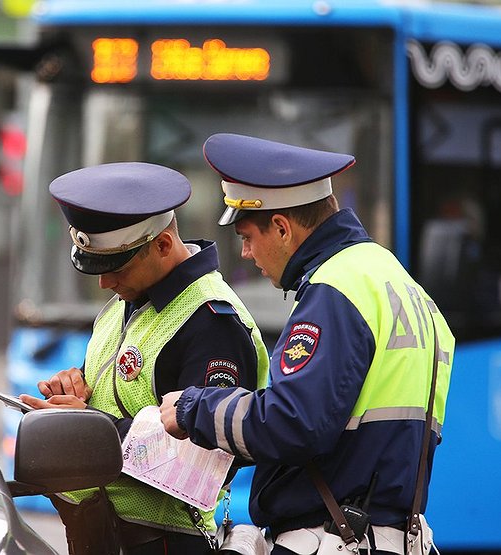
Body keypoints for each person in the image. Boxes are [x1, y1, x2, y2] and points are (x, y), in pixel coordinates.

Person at [159, 134, 455, 555]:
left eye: (247, 237)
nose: (244, 253)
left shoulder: (336, 287)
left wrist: (194, 408)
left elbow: (292, 423)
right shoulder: (400, 283)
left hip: (333, 538)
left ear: (281, 228)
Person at [19, 161, 270, 555]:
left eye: (116, 267)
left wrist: (89, 431)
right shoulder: (129, 299)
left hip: (162, 542)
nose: (104, 283)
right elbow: (119, 392)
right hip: (102, 535)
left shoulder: (212, 323)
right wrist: (74, 389)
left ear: (163, 246)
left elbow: (206, 460)